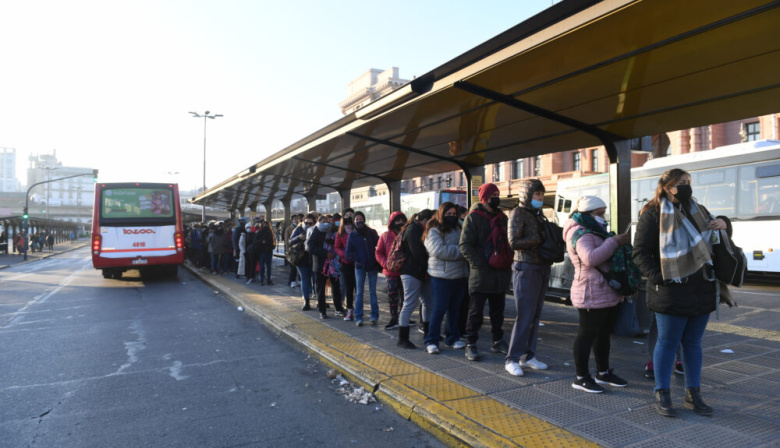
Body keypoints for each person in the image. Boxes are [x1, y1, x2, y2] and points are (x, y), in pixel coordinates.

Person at [633, 168, 727, 418]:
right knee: (667, 342)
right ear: (666, 186)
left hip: (702, 287)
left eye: (688, 182)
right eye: (680, 183)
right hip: (671, 290)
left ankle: (692, 394)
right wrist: (661, 278)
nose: (686, 186)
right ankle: (662, 392)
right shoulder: (652, 215)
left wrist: (725, 223)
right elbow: (640, 252)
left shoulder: (699, 210)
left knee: (693, 344)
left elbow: (715, 240)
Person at [563, 196, 631, 393]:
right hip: (589, 291)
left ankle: (603, 372)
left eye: (604, 212)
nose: (603, 217)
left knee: (603, 334)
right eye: (599, 213)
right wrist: (614, 242)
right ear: (587, 213)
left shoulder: (594, 229)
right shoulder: (579, 231)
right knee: (586, 334)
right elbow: (590, 258)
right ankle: (581, 377)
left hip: (605, 291)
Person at [460, 183, 511, 362]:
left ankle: (497, 340)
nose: (497, 197)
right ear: (484, 198)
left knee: (498, 312)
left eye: (498, 194)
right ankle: (471, 344)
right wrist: (479, 265)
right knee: (475, 312)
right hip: (481, 274)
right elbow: (464, 244)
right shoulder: (473, 218)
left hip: (500, 273)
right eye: (493, 195)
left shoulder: (502, 218)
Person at [504, 179, 550, 376]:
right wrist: (538, 239)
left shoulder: (537, 215)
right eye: (537, 194)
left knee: (535, 314)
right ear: (527, 194)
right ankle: (512, 358)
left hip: (541, 266)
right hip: (526, 267)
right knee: (524, 315)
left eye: (541, 194)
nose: (540, 198)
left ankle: (529, 355)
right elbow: (513, 242)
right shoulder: (518, 213)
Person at [422, 202, 468, 353]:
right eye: (448, 214)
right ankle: (431, 340)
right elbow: (440, 251)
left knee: (454, 310)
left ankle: (452, 338)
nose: (452, 217)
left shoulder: (459, 228)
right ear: (441, 214)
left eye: (454, 214)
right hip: (441, 276)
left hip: (460, 275)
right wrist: (462, 251)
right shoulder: (433, 230)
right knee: (439, 308)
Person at [398, 209, 434, 341]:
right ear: (426, 219)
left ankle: (428, 333)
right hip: (411, 272)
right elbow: (417, 253)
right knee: (409, 304)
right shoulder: (413, 229)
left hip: (421, 272)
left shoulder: (420, 228)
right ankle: (403, 339)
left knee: (428, 303)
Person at [345, 211, 380, 327]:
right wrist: (358, 258)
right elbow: (348, 252)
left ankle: (374, 315)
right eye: (356, 220)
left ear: (364, 220)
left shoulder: (371, 232)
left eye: (360, 219)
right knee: (359, 292)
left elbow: (379, 244)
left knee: (372, 291)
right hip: (359, 266)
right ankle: (358, 316)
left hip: (372, 266)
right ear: (354, 222)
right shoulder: (352, 235)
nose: (359, 221)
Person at [306, 214, 344, 319]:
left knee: (335, 287)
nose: (326, 223)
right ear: (319, 222)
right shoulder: (316, 231)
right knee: (320, 288)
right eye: (323, 221)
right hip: (320, 264)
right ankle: (322, 310)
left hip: (333, 263)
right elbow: (311, 246)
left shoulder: (333, 231)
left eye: (327, 221)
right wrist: (325, 253)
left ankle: (338, 308)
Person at [375, 211, 408, 330]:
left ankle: (404, 317)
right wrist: (386, 264)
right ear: (392, 222)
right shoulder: (385, 236)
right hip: (391, 272)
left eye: (402, 221)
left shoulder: (407, 234)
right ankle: (394, 317)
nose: (400, 223)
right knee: (392, 296)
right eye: (397, 221)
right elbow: (378, 252)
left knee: (405, 296)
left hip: (405, 271)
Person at [291, 214, 316, 310]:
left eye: (311, 223)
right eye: (306, 223)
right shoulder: (299, 229)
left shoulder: (316, 230)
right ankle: (306, 301)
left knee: (316, 281)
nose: (308, 225)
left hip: (314, 259)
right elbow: (290, 241)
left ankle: (319, 300)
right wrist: (298, 238)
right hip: (302, 259)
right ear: (303, 221)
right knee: (305, 280)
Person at [334, 217, 356, 321]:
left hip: (357, 263)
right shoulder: (340, 234)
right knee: (349, 287)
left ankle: (357, 310)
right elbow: (336, 247)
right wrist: (344, 255)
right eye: (347, 224)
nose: (349, 226)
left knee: (358, 288)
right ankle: (350, 310)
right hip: (346, 264)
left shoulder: (357, 233)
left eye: (350, 223)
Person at [255, 218, 276, 285]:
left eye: (266, 225)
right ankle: (264, 279)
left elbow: (273, 242)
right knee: (264, 266)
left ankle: (266, 279)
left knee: (266, 266)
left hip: (267, 251)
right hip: (263, 251)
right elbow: (255, 241)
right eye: (264, 225)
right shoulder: (262, 232)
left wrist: (271, 246)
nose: (265, 226)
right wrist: (262, 242)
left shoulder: (270, 233)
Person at [285, 215, 302, 287]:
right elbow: (286, 240)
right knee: (293, 267)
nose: (296, 220)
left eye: (297, 219)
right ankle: (292, 281)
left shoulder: (300, 227)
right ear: (291, 220)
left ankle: (299, 281)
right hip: (293, 250)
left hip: (300, 249)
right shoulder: (288, 229)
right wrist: (287, 249)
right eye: (295, 219)